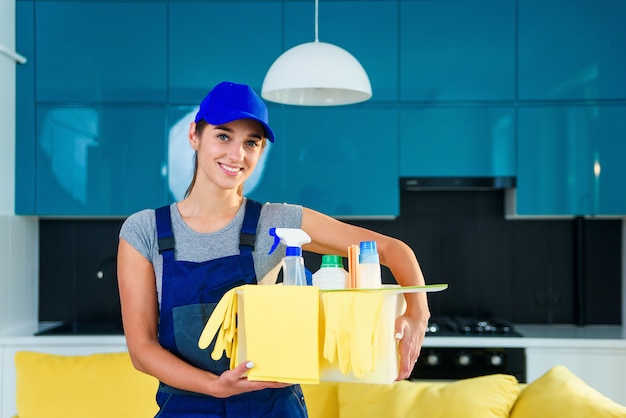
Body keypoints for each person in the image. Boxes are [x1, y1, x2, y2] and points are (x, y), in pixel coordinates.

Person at [117, 81, 431, 417]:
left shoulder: (278, 221)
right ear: (195, 135)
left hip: (271, 407)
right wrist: (215, 386)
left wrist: (417, 311)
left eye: (251, 142)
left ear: (261, 151)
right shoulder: (145, 231)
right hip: (185, 407)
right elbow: (142, 349)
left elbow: (393, 249)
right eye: (223, 136)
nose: (236, 154)